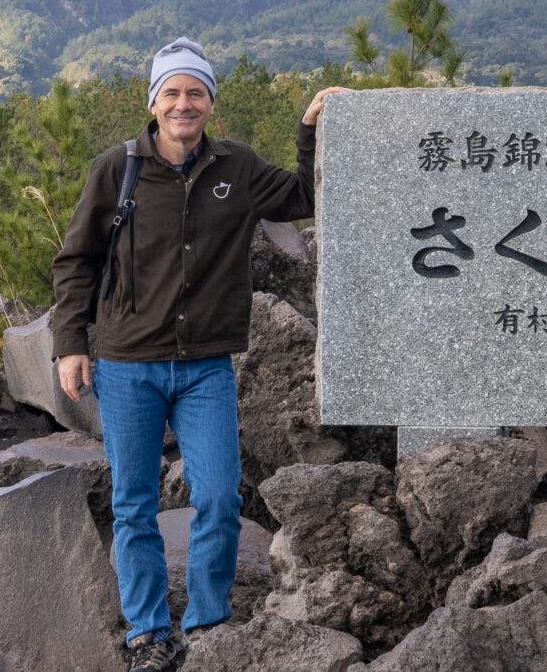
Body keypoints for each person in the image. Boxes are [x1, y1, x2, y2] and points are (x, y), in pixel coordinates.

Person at [50, 38, 343, 672]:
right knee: (134, 504)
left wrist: (310, 128)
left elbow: (301, 197)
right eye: (172, 93)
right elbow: (77, 262)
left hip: (206, 365)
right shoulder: (117, 169)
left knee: (217, 496)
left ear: (211, 102)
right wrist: (70, 344)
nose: (184, 104)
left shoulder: (236, 166)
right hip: (127, 365)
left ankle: (207, 625)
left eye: (196, 92)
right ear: (153, 102)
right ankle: (148, 635)